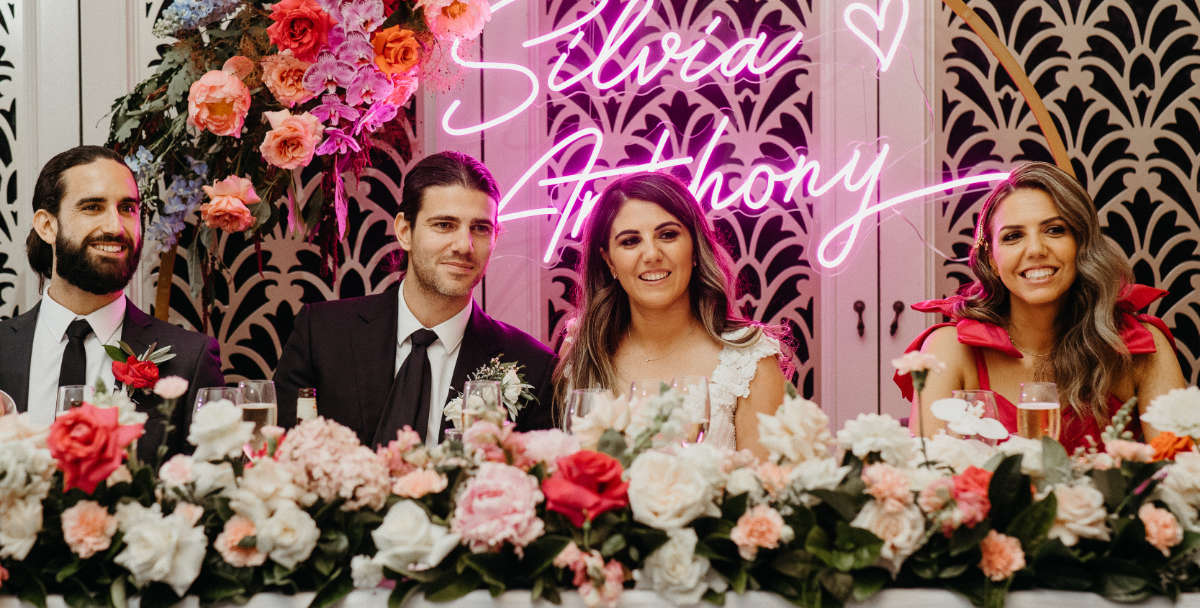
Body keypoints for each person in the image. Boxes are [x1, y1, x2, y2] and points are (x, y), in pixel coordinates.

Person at [895, 162, 1186, 452]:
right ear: (992, 260)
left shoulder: (1141, 347)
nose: (1035, 250)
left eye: (1054, 230)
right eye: (1013, 236)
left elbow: (1183, 481)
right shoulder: (951, 349)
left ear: (1081, 244)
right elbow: (929, 484)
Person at [275, 151, 557, 446]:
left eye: (481, 228)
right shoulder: (321, 334)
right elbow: (281, 460)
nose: (464, 245)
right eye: (444, 225)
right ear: (404, 231)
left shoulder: (532, 367)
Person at [0, 145, 224, 456]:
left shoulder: (190, 360)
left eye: (128, 208)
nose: (115, 227)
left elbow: (212, 492)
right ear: (47, 226)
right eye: (92, 207)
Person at [554, 172, 787, 457]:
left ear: (694, 248)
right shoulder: (584, 355)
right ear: (608, 260)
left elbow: (766, 493)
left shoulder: (748, 360)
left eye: (668, 235)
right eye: (630, 241)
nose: (651, 254)